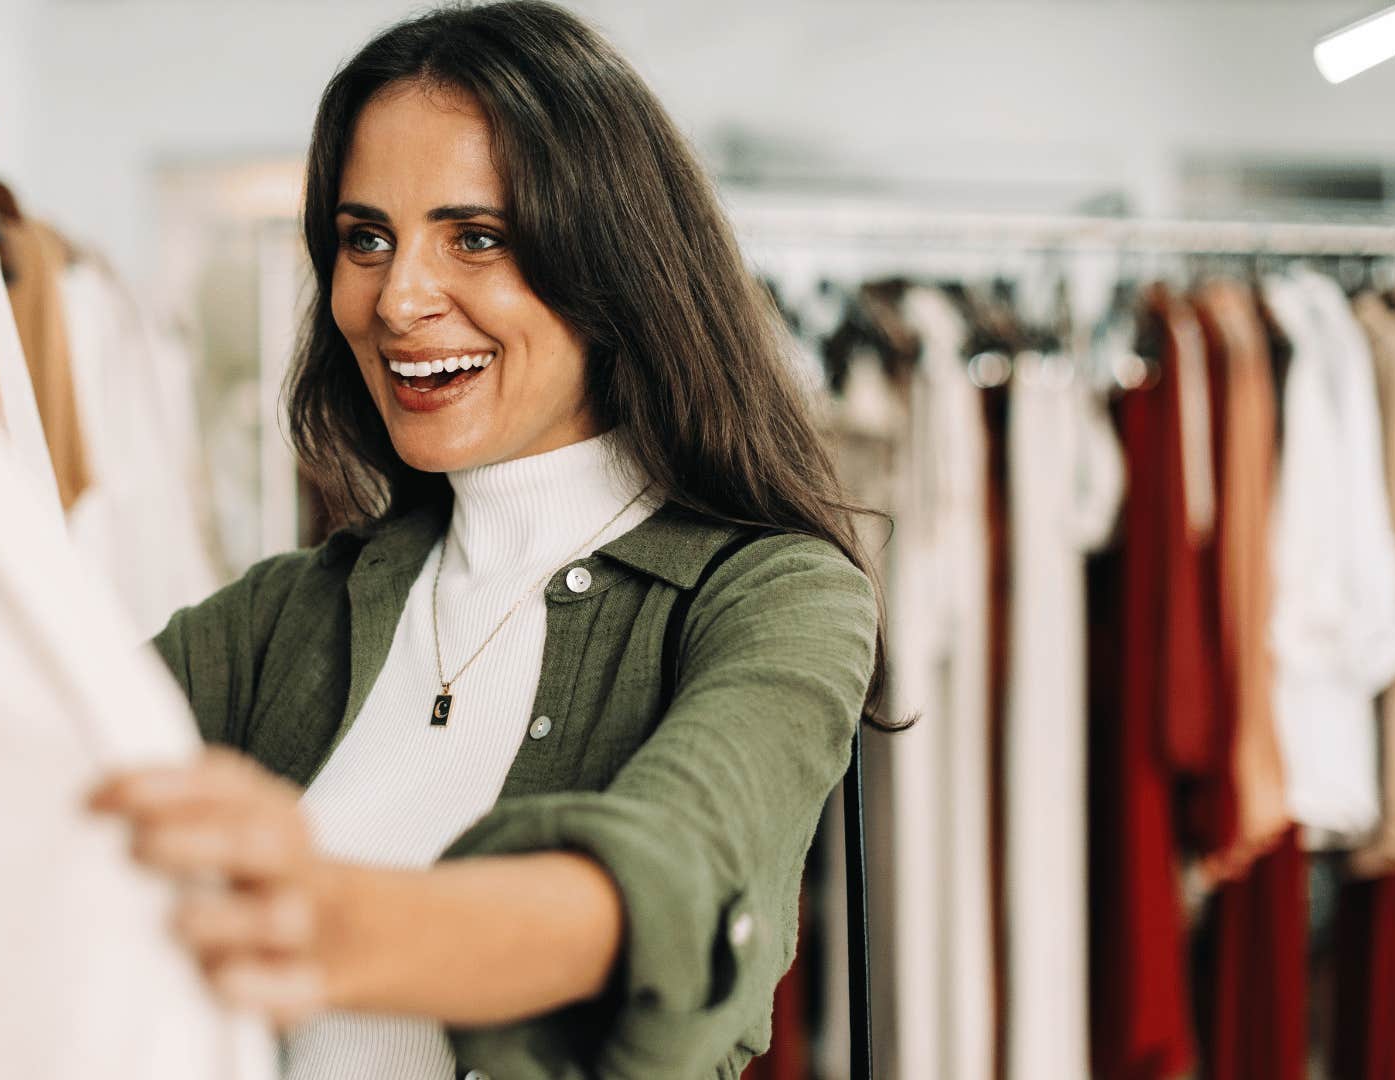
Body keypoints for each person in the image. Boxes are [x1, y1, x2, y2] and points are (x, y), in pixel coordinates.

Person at [88, 3, 889, 1077]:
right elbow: (21, 762)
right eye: (365, 238)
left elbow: (670, 880)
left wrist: (329, 919)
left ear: (610, 259)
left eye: (477, 237)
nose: (397, 299)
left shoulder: (775, 598)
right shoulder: (281, 620)